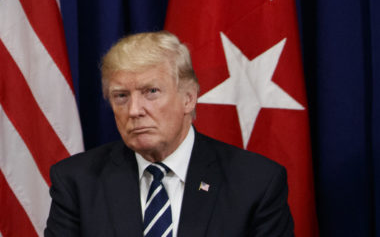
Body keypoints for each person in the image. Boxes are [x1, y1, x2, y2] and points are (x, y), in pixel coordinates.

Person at [45, 31, 293, 236]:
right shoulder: (77, 181)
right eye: (121, 96)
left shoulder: (256, 183)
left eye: (151, 91)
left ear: (189, 98)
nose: (134, 110)